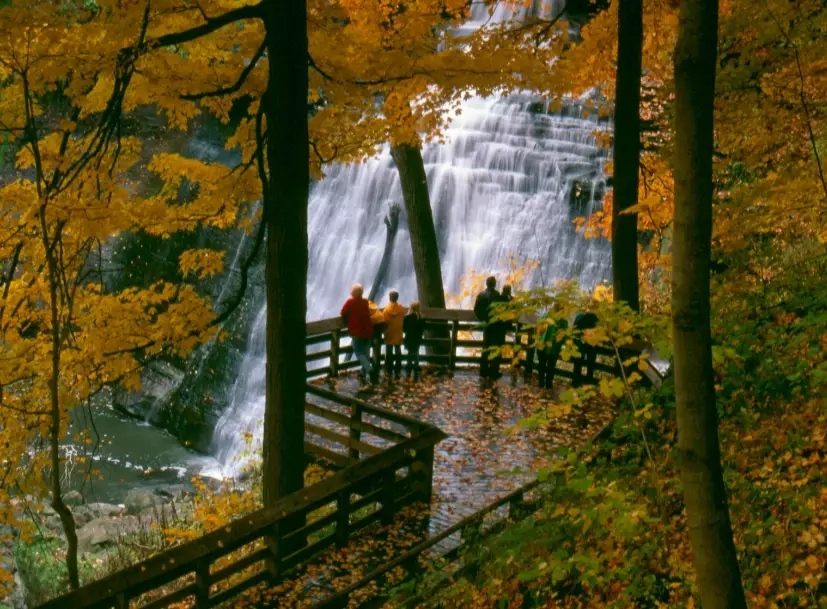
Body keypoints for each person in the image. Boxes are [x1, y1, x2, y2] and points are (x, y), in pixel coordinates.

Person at [340, 284, 376, 383]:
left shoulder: (350, 302)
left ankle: (370, 370)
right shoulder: (365, 302)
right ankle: (362, 373)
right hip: (368, 330)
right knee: (366, 353)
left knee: (359, 352)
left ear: (352, 292)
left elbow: (342, 313)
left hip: (357, 331)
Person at [473, 276, 503, 379]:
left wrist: (483, 320)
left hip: (486, 326)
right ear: (494, 284)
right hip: (495, 326)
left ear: (487, 284)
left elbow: (476, 310)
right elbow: (501, 310)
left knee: (485, 348)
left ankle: (483, 371)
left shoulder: (481, 295)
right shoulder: (497, 295)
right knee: (494, 348)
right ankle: (493, 372)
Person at [537, 303, 568, 389]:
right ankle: (548, 385)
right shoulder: (563, 321)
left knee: (542, 366)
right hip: (552, 348)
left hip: (544, 346)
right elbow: (564, 336)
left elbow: (539, 330)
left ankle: (542, 384)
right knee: (549, 367)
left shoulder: (546, 316)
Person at [382, 290, 406, 375]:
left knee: (389, 350)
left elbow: (384, 321)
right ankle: (398, 366)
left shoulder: (386, 310)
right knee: (398, 349)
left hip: (389, 332)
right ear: (397, 298)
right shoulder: (401, 309)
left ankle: (389, 366)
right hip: (398, 331)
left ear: (389, 298)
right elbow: (403, 318)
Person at [572, 311, 599, 386]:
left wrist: (574, 342)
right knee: (590, 365)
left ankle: (576, 383)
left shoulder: (579, 316)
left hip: (580, 343)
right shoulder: (597, 318)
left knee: (578, 364)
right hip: (592, 345)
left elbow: (574, 330)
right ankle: (588, 383)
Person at [403, 301, 425, 373]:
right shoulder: (421, 318)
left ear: (411, 308)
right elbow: (422, 329)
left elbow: (404, 329)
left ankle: (408, 364)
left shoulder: (407, 317)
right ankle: (416, 365)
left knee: (409, 351)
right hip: (417, 337)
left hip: (409, 337)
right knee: (416, 351)